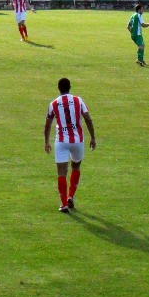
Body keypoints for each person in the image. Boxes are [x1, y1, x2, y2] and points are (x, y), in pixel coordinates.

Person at [44, 77, 97, 213]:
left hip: (61, 141)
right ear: (70, 87)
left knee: (61, 172)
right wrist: (92, 137)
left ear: (58, 88)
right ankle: (70, 196)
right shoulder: (78, 100)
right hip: (77, 141)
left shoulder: (54, 104)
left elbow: (48, 124)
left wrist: (46, 141)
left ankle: (64, 204)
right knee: (76, 167)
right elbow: (88, 120)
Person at [127, 3, 149, 67]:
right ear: (139, 10)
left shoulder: (133, 15)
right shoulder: (139, 15)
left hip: (133, 34)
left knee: (142, 45)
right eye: (142, 9)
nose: (143, 10)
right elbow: (143, 25)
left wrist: (132, 33)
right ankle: (140, 61)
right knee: (141, 46)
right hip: (138, 34)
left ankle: (140, 59)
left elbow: (128, 26)